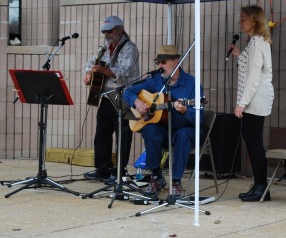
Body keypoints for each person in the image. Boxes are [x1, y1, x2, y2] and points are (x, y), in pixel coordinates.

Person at [123, 45, 205, 197]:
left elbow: (198, 118)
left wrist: (185, 110)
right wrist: (136, 102)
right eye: (158, 62)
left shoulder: (192, 84)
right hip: (165, 131)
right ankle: (156, 176)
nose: (160, 66)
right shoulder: (155, 81)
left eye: (163, 62)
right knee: (150, 129)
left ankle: (176, 181)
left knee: (183, 134)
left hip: (187, 131)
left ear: (176, 61)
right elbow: (128, 91)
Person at [83, 16, 139, 182]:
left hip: (125, 96)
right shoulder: (104, 47)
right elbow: (89, 63)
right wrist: (88, 74)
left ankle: (119, 172)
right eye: (104, 31)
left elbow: (123, 72)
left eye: (110, 30)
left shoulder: (129, 48)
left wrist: (101, 69)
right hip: (107, 95)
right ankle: (102, 170)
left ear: (120, 30)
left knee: (123, 135)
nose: (106, 34)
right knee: (102, 134)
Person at [229, 5, 274, 202]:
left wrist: (242, 103)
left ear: (254, 21)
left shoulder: (257, 42)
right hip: (256, 98)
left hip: (254, 99)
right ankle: (259, 185)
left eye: (243, 19)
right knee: (252, 140)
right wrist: (239, 54)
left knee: (254, 142)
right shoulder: (257, 41)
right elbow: (252, 68)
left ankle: (261, 186)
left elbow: (254, 77)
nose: (241, 22)